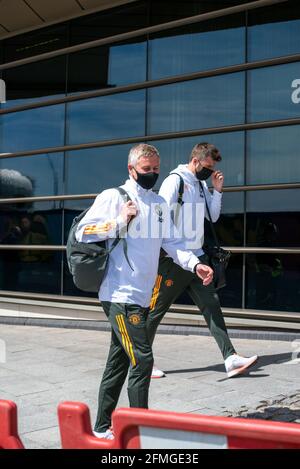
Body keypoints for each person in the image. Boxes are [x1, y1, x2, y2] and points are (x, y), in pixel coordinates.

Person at [75, 143, 214, 439]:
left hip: (141, 295)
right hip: (119, 295)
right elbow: (82, 232)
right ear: (131, 169)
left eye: (155, 170)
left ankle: (101, 428)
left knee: (120, 360)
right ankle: (141, 431)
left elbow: (173, 243)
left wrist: (195, 264)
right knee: (143, 359)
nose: (152, 174)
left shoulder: (158, 205)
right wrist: (118, 222)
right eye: (146, 170)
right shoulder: (114, 197)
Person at [147, 142, 258, 379]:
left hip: (196, 259)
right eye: (207, 167)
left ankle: (230, 358)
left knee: (212, 306)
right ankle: (141, 362)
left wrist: (217, 190)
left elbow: (213, 216)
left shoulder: (199, 185)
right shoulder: (174, 181)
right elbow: (161, 218)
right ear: (196, 161)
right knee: (155, 311)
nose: (209, 171)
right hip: (173, 260)